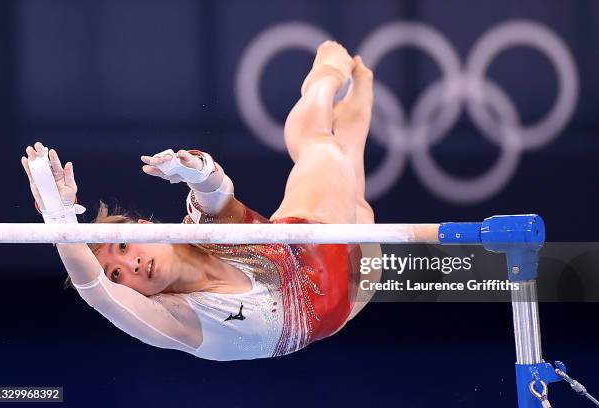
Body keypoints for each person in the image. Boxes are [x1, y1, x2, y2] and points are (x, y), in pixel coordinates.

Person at [21, 41, 381, 361]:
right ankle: (354, 105)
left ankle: (324, 78)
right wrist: (59, 215)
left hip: (313, 245)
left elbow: (214, 191)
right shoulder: (175, 318)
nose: (132, 265)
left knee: (323, 149)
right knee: (357, 199)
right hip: (349, 295)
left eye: (124, 245)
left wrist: (195, 171)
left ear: (146, 229)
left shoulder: (203, 230)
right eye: (117, 274)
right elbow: (95, 291)